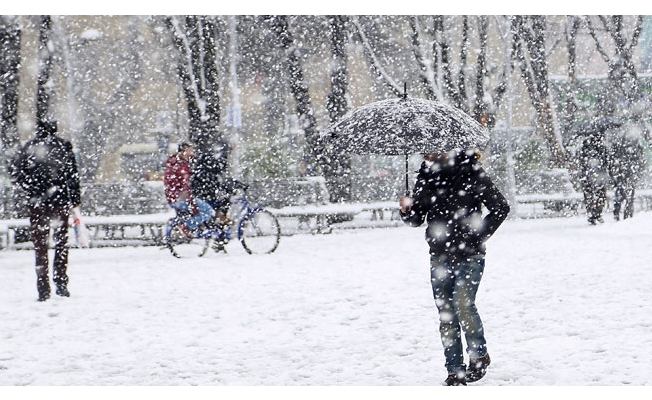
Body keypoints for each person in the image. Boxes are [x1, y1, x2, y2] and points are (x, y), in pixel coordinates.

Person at [399, 149, 510, 386]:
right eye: (424, 149)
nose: (426, 153)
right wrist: (407, 210)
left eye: (431, 148)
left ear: (446, 148)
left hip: (470, 254)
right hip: (439, 255)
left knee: (462, 303)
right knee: (446, 313)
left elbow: (501, 207)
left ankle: (479, 355)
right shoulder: (426, 176)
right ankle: (454, 370)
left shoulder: (471, 171)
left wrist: (477, 236)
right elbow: (417, 219)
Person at [10, 120, 81, 302]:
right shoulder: (63, 146)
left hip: (38, 203)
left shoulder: (30, 147)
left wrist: (32, 190)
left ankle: (42, 286)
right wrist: (74, 200)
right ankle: (61, 281)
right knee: (61, 243)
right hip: (60, 202)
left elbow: (17, 173)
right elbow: (72, 175)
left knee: (40, 246)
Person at [163, 142, 215, 237]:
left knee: (202, 209)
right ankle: (186, 226)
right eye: (190, 151)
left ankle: (186, 225)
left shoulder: (173, 164)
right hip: (180, 199)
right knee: (208, 211)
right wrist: (193, 206)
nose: (192, 154)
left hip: (173, 198)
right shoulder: (181, 166)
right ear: (183, 152)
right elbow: (185, 188)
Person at [607, 123, 646, 221]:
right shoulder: (634, 143)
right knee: (628, 192)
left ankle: (620, 211)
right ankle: (626, 212)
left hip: (623, 171)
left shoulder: (618, 143)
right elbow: (640, 159)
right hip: (627, 171)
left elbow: (612, 159)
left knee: (622, 192)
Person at [579, 132, 610, 225]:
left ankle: (592, 213)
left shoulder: (585, 148)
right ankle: (597, 213)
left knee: (589, 196)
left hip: (587, 177)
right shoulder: (602, 148)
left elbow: (582, 162)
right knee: (600, 195)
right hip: (599, 177)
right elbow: (607, 161)